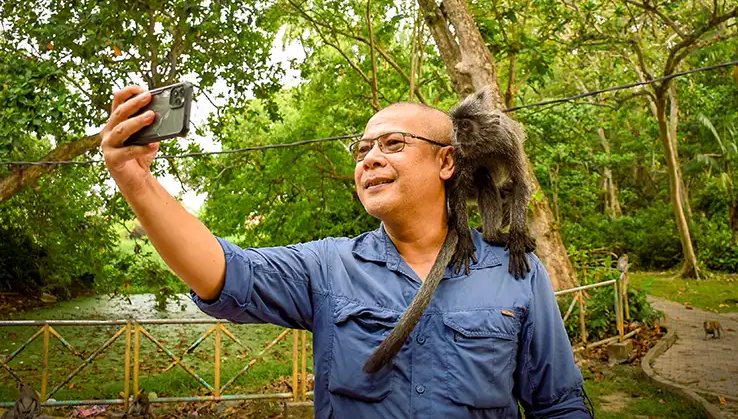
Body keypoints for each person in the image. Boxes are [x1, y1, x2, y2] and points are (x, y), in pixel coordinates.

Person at [102, 85, 593, 418]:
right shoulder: (328, 266)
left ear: (446, 161)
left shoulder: (515, 271)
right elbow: (225, 273)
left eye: (393, 143)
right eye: (362, 150)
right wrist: (135, 180)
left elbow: (559, 404)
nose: (370, 158)